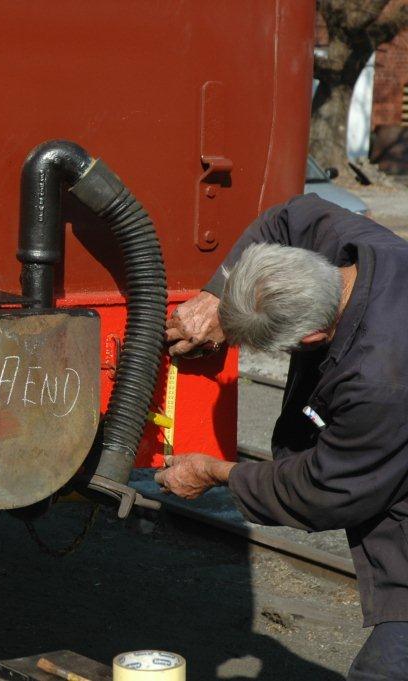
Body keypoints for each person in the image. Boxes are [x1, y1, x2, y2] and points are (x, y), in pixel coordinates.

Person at [157, 194, 408, 680]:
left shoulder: (379, 382)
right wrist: (218, 293)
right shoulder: (347, 246)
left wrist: (215, 472)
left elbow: (324, 490)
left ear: (310, 339)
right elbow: (290, 216)